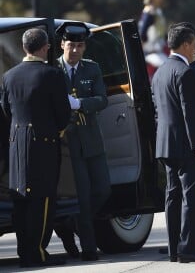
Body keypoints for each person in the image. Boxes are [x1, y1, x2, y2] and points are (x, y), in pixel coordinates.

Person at [1, 28, 71, 267]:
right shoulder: (52, 75)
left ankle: (24, 252)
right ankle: (38, 252)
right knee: (43, 200)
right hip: (43, 144)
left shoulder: (8, 76)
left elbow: (6, 111)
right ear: (45, 48)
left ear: (23, 48)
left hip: (16, 144)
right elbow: (63, 115)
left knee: (20, 201)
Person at [151, 22, 195, 263]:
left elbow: (158, 110)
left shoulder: (160, 71)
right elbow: (191, 112)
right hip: (187, 145)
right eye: (193, 45)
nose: (194, 50)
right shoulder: (185, 71)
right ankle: (190, 248)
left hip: (166, 144)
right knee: (192, 196)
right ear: (187, 44)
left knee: (172, 195)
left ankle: (173, 249)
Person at [54, 22, 111, 261]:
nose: (75, 50)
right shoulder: (53, 69)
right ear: (62, 45)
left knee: (103, 190)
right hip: (67, 141)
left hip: (91, 139)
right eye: (71, 46)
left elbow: (102, 99)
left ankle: (69, 223)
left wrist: (80, 104)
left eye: (79, 46)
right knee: (84, 195)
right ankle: (89, 247)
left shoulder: (92, 68)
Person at [136, 0, 168, 81]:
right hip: (152, 55)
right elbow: (142, 34)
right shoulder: (150, 12)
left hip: (160, 52)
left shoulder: (157, 12)